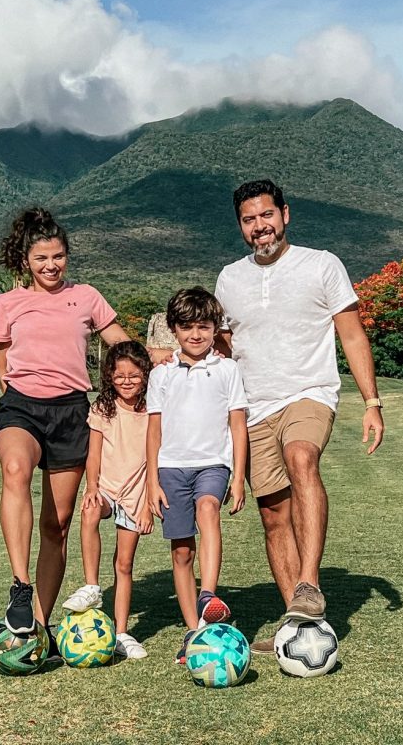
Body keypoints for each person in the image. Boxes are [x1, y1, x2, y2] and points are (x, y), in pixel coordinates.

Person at [214, 179, 385, 654]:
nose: (259, 226)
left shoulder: (321, 264)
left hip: (310, 393)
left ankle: (309, 584)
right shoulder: (229, 278)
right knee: (273, 514)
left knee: (302, 457)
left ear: (285, 214)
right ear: (240, 226)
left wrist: (371, 402)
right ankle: (297, 623)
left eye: (266, 215)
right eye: (249, 219)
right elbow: (225, 344)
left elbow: (351, 336)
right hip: (254, 406)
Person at [0, 207, 133, 639]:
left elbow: (123, 345)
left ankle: (38, 625)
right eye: (41, 259)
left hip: (72, 411)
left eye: (58, 257)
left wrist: (179, 356)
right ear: (25, 261)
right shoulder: (8, 303)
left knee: (57, 524)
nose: (51, 265)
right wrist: (18, 393)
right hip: (21, 407)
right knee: (15, 471)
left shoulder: (87, 297)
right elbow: (3, 361)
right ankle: (20, 586)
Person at [145, 287, 248, 663]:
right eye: (187, 327)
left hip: (213, 464)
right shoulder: (161, 376)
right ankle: (195, 630)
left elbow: (238, 425)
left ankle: (209, 594)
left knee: (209, 509)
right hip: (170, 468)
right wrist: (152, 480)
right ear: (174, 329)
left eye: (204, 327)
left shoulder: (227, 369)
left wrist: (237, 476)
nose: (196, 335)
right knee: (182, 551)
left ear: (214, 328)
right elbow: (153, 431)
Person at [61, 340, 155, 659]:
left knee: (124, 564)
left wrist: (147, 506)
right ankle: (91, 587)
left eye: (133, 374)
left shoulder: (154, 410)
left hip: (136, 495)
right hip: (105, 490)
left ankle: (122, 633)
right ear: (109, 377)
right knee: (88, 513)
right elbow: (94, 453)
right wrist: (91, 488)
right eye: (119, 375)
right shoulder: (103, 408)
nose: (126, 381)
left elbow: (157, 458)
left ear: (145, 374)